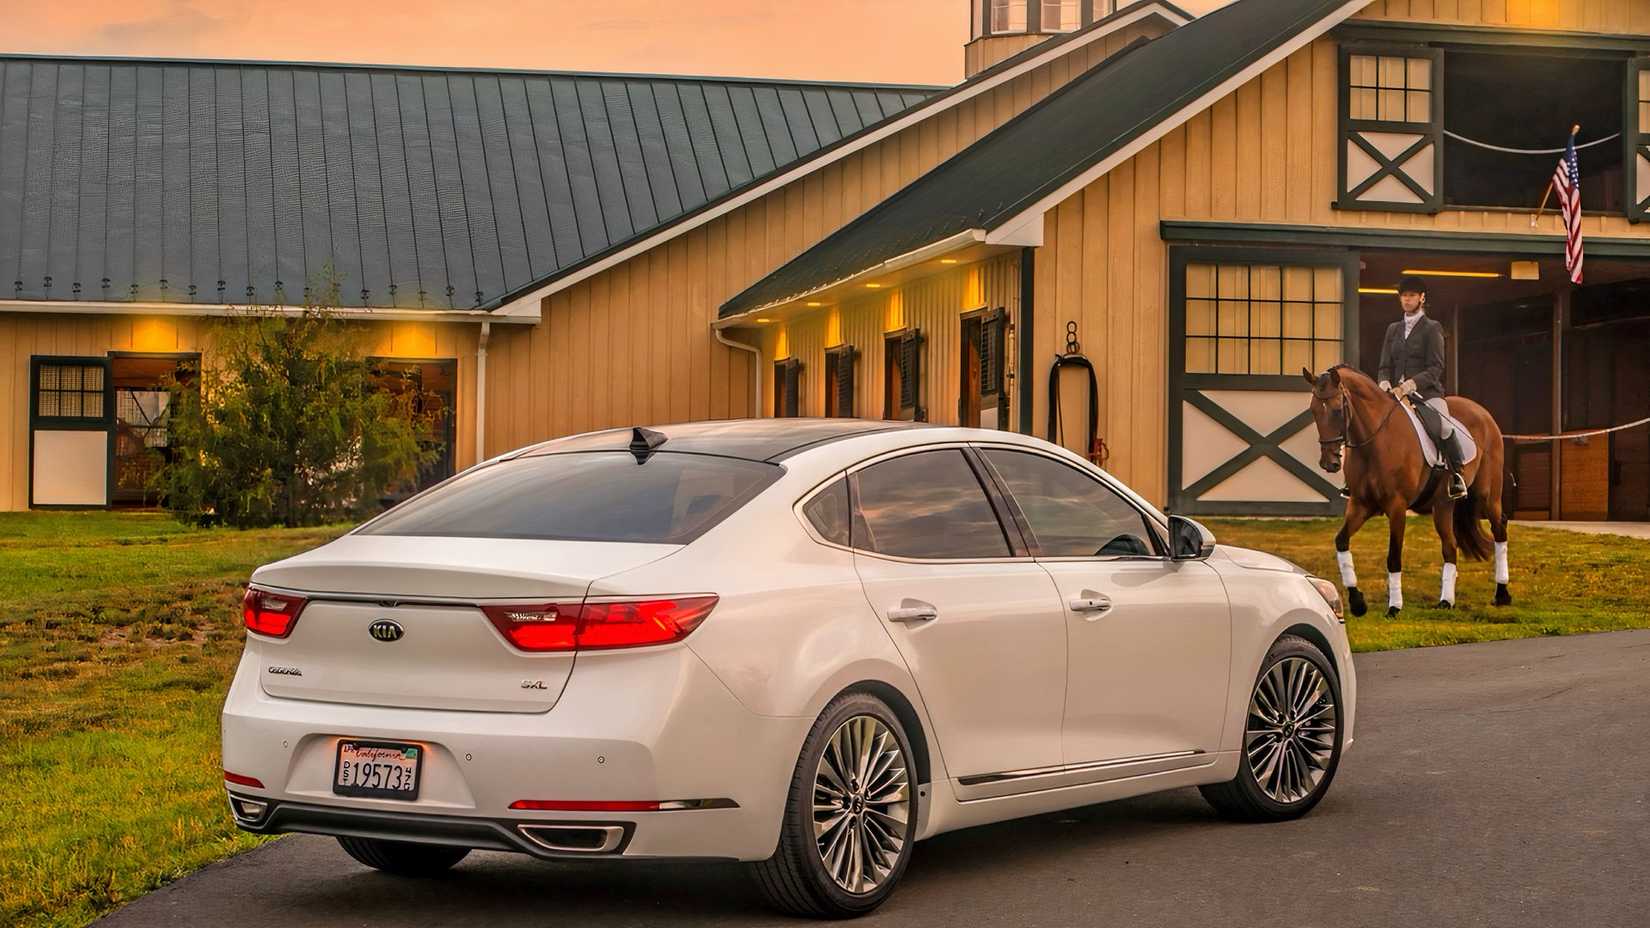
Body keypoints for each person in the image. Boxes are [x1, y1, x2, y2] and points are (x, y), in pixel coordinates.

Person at [1378, 275, 1468, 500]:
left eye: (1411, 296)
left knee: (1444, 429)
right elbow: (1384, 365)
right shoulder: (1393, 330)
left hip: (1425, 393)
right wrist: (1384, 382)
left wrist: (1411, 384)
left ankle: (1457, 476)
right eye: (1403, 296)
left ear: (1421, 298)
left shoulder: (1432, 328)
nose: (1406, 300)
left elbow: (1436, 367)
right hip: (1394, 395)